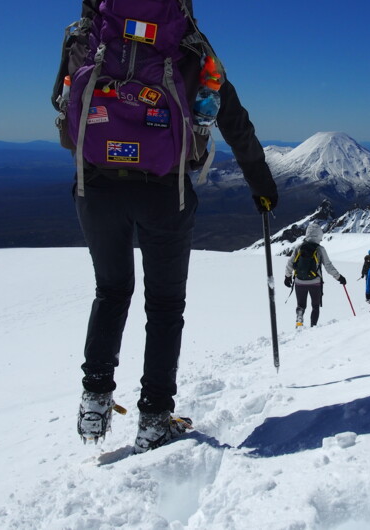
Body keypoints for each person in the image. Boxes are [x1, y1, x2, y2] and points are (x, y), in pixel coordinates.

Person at [73, 0, 278, 453]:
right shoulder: (187, 42)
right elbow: (232, 119)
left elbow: (62, 102)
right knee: (164, 307)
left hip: (96, 185)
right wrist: (261, 184)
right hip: (166, 190)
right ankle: (154, 420)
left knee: (110, 291)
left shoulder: (93, 31)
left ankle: (94, 404)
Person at [284, 224, 346, 327]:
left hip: (299, 281)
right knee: (315, 306)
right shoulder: (320, 249)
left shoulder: (299, 247)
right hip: (315, 283)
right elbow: (328, 266)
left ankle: (299, 320)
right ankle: (313, 326)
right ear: (319, 235)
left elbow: (290, 263)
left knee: (301, 305)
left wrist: (287, 277)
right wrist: (339, 277)